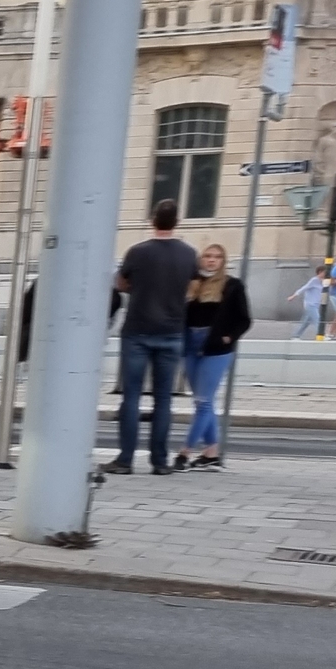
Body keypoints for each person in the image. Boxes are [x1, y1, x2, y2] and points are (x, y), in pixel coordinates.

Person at [110, 198, 200, 476]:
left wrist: (137, 288)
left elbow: (121, 283)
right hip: (172, 332)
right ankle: (159, 462)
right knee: (163, 400)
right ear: (177, 223)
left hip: (137, 330)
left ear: (152, 220)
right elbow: (193, 289)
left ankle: (125, 460)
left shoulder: (137, 252)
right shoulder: (189, 253)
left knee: (132, 397)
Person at [177, 243, 250, 471]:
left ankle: (185, 453)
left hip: (216, 347)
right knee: (201, 401)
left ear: (223, 261)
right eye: (207, 256)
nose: (211, 260)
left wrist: (228, 338)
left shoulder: (232, 285)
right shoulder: (192, 285)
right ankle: (211, 453)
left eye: (217, 257)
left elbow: (245, 319)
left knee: (203, 401)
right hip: (191, 344)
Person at [289, 265, 330, 340]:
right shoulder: (314, 280)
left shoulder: (324, 282)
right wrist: (294, 296)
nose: (326, 274)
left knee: (305, 322)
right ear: (320, 272)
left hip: (316, 304)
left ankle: (295, 336)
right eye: (325, 272)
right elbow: (304, 288)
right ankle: (321, 335)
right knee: (317, 319)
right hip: (310, 304)